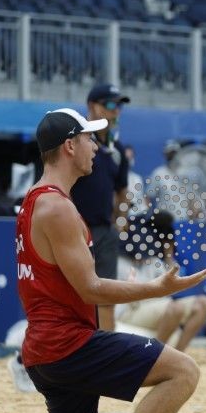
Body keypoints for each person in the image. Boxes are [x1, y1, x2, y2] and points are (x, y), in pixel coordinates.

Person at [0, 109, 206, 413]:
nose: (96, 147)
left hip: (45, 350)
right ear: (69, 145)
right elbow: (91, 288)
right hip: (67, 346)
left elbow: (64, 280)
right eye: (89, 138)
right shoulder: (56, 207)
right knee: (184, 371)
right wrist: (156, 287)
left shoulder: (36, 200)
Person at [70, 84, 132, 332]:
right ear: (91, 106)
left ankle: (109, 357)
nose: (115, 111)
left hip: (104, 232)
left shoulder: (117, 150)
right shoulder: (76, 142)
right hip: (75, 231)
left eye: (119, 106)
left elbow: (122, 191)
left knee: (107, 299)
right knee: (71, 298)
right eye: (110, 104)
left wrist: (120, 222)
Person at [116, 211, 206, 352]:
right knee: (175, 308)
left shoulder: (153, 260)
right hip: (130, 310)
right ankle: (155, 356)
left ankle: (179, 353)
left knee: (204, 303)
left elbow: (173, 282)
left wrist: (168, 255)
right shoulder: (119, 262)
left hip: (156, 305)